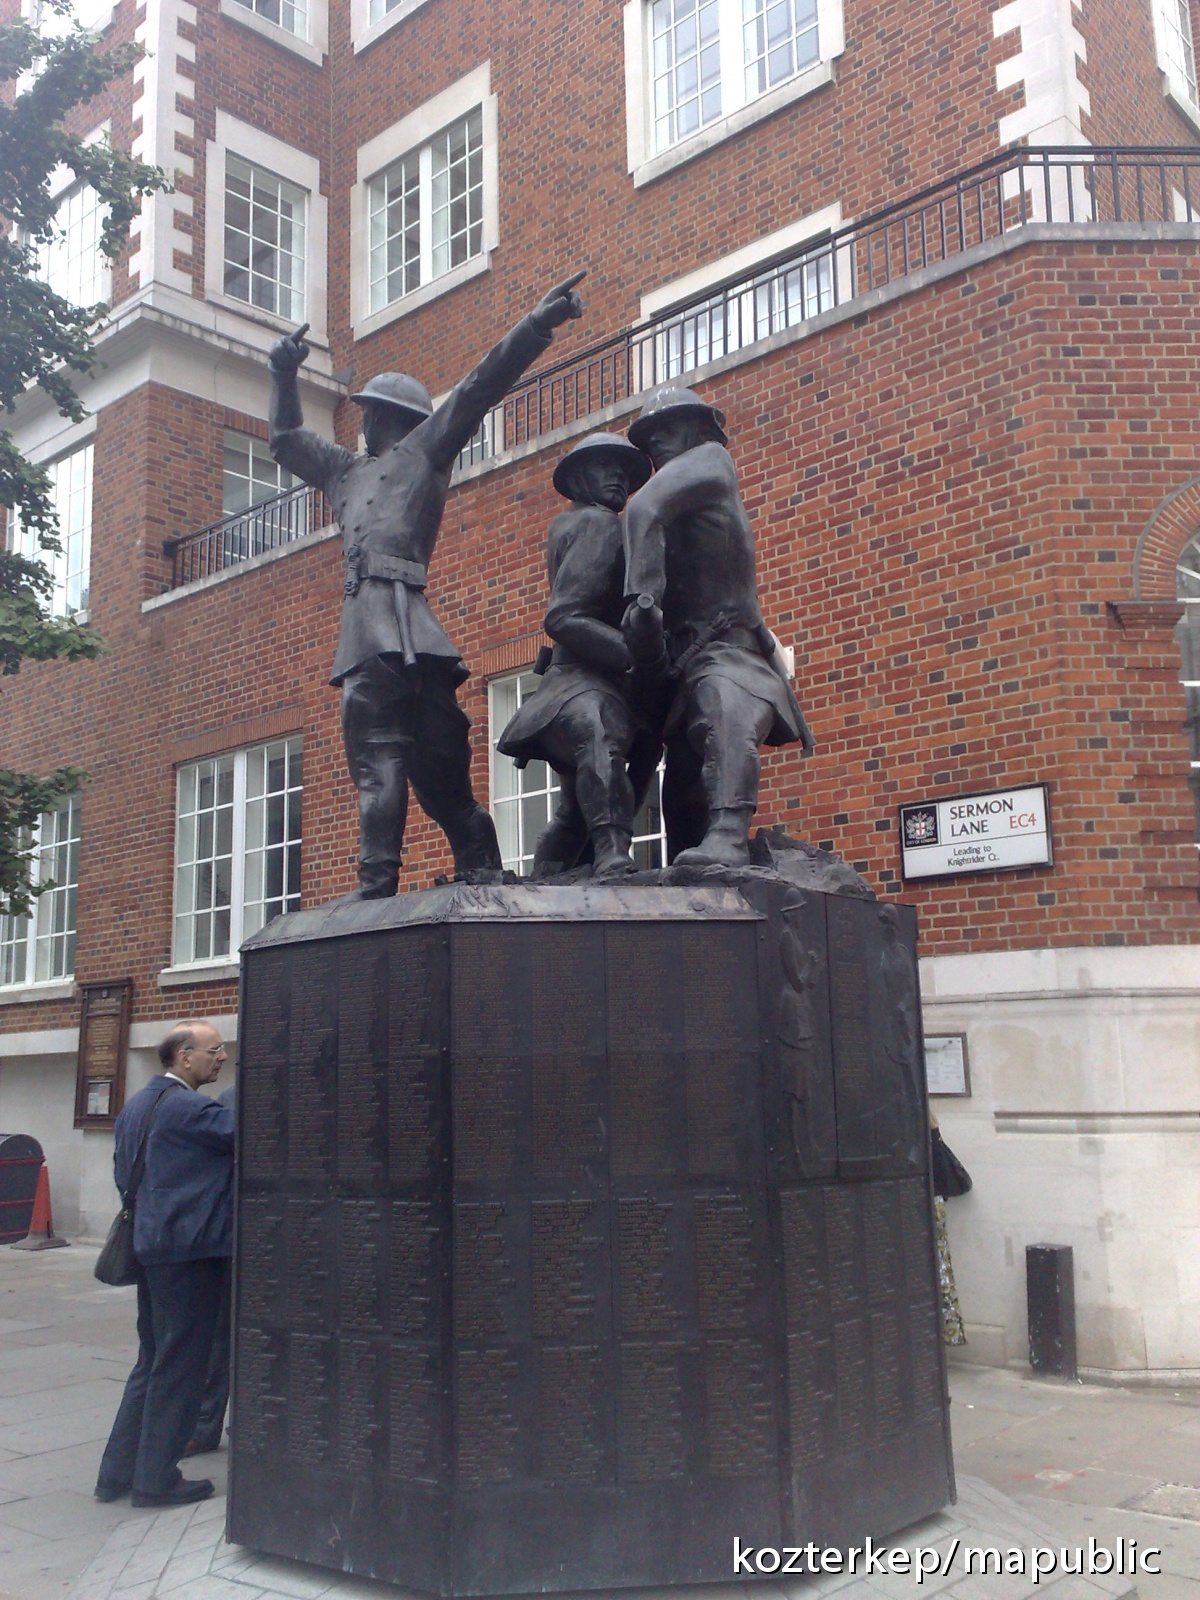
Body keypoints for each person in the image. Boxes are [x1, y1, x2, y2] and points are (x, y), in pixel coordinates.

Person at [267, 271, 586, 898]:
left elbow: (478, 388)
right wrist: (282, 375)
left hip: (406, 628)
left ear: (383, 416)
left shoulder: (425, 452)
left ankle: (476, 868)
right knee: (381, 762)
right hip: (370, 634)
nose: (361, 421)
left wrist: (535, 326)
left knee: (440, 781)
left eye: (367, 412)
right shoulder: (342, 470)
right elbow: (284, 440)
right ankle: (377, 885)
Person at [621, 386, 814, 867]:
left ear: (699, 429)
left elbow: (643, 510)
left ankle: (729, 834)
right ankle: (692, 863)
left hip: (726, 649)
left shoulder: (710, 460)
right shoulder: (685, 490)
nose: (655, 440)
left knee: (723, 707)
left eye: (668, 427)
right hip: (686, 659)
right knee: (683, 779)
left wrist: (642, 600)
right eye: (648, 435)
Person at [497, 432, 654, 876]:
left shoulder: (572, 522)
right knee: (599, 736)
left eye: (623, 470)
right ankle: (611, 852)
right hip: (586, 679)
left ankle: (545, 877)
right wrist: (634, 656)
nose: (618, 476)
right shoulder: (599, 523)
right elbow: (564, 617)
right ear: (581, 476)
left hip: (583, 679)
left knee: (572, 810)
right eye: (605, 466)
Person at [94, 1022, 234, 1506]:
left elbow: (121, 1172)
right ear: (184, 1056)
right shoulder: (191, 1108)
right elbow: (257, 1130)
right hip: (189, 1253)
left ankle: (115, 1474)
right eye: (214, 1050)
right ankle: (155, 1479)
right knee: (180, 1366)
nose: (222, 1057)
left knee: (151, 1359)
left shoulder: (136, 1106)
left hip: (151, 1248)